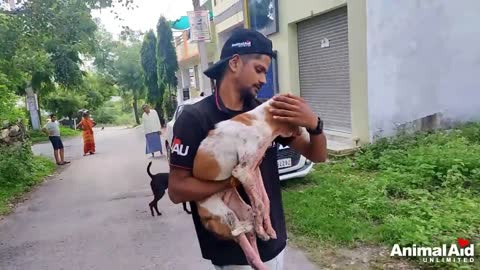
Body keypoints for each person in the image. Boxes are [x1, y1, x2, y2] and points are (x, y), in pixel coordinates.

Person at [168, 28, 327, 269]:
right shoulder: (195, 118)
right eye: (259, 70)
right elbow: (177, 189)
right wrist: (229, 182)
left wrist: (315, 125)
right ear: (234, 63)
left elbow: (317, 155)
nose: (264, 80)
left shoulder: (268, 113)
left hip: (274, 243)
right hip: (232, 253)